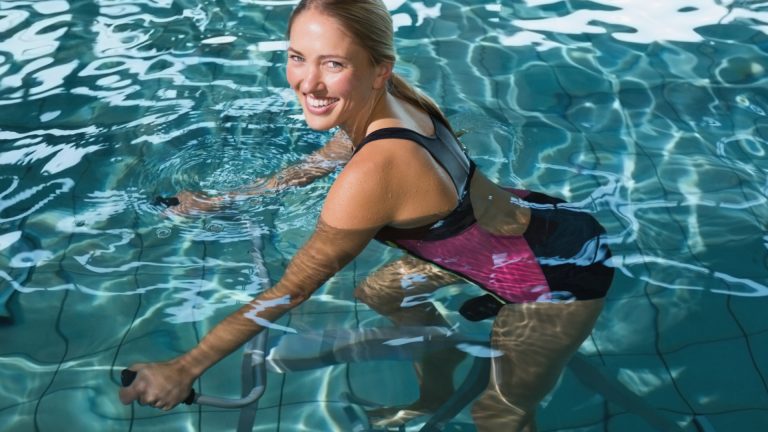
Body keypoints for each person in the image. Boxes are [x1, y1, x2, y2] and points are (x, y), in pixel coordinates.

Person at [119, 1, 614, 430]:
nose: (307, 82)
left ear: (378, 68)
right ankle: (436, 377)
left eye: (332, 64)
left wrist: (185, 367)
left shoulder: (371, 176)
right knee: (380, 290)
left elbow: (289, 290)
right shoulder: (393, 98)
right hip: (525, 223)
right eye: (296, 57)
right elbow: (325, 158)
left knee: (499, 415)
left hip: (556, 277)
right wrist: (225, 200)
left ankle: (463, 349)